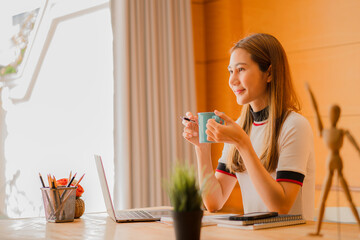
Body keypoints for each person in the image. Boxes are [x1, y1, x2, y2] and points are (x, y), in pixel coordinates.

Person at [182, 33, 315, 220]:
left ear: (269, 73)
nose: (232, 80)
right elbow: (213, 202)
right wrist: (202, 147)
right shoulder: (238, 128)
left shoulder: (294, 126)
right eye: (230, 71)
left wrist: (242, 143)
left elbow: (281, 207)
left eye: (241, 70)